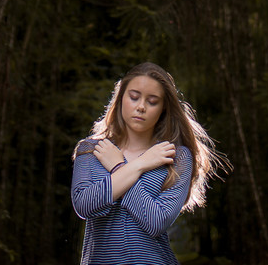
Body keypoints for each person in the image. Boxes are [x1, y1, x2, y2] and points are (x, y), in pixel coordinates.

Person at [71, 62, 226, 265]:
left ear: (163, 109)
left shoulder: (175, 156)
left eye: (152, 101)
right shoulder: (92, 150)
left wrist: (118, 168)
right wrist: (139, 165)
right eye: (134, 97)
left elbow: (156, 222)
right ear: (120, 99)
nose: (141, 107)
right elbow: (84, 205)